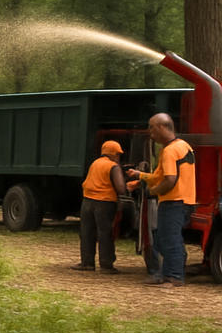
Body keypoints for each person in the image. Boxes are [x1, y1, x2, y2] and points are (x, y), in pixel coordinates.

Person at [126, 113, 196, 287]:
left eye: (152, 127)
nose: (150, 132)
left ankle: (175, 276)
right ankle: (164, 274)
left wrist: (153, 191)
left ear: (162, 127)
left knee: (171, 240)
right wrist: (140, 176)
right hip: (185, 200)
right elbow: (160, 175)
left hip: (174, 201)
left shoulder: (169, 151)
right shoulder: (183, 146)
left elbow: (170, 180)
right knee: (164, 238)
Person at [72, 140, 128, 273]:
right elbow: (121, 188)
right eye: (118, 154)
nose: (119, 157)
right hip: (105, 202)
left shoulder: (95, 163)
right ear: (113, 154)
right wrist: (128, 184)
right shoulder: (113, 166)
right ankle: (106, 265)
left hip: (87, 201)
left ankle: (87, 263)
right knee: (105, 233)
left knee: (86, 232)